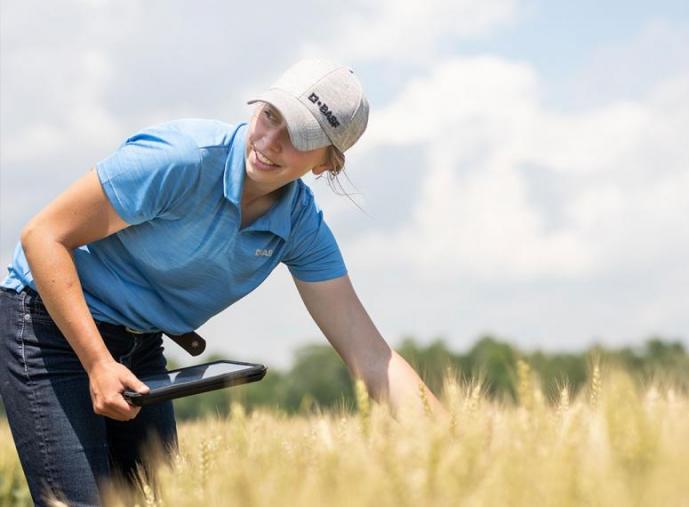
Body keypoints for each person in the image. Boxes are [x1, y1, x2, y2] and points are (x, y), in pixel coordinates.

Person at [0, 59, 444, 506]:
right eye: (271, 114)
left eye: (298, 137)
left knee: (155, 500)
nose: (268, 142)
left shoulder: (300, 227)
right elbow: (42, 236)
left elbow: (370, 355)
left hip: (139, 345)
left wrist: (459, 446)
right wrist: (97, 362)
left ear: (326, 163)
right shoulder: (181, 159)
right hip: (45, 324)